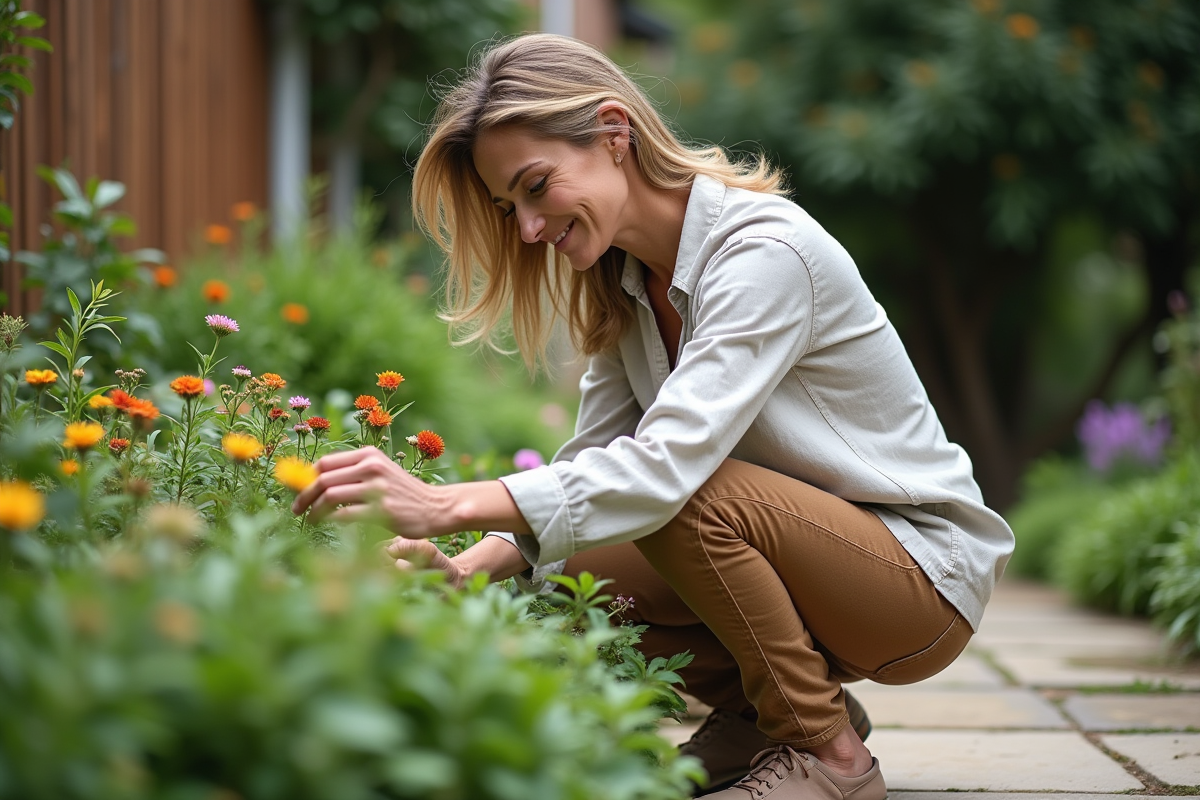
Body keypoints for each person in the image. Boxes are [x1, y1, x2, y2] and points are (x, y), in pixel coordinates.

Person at [292, 32, 1014, 800]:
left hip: (918, 583)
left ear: (614, 132)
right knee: (567, 571)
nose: (528, 229)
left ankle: (829, 756)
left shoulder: (764, 253)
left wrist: (444, 506)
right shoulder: (626, 286)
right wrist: (469, 568)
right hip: (818, 564)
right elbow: (590, 467)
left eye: (536, 187)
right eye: (510, 207)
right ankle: (758, 717)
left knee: (677, 494)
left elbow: (664, 468)